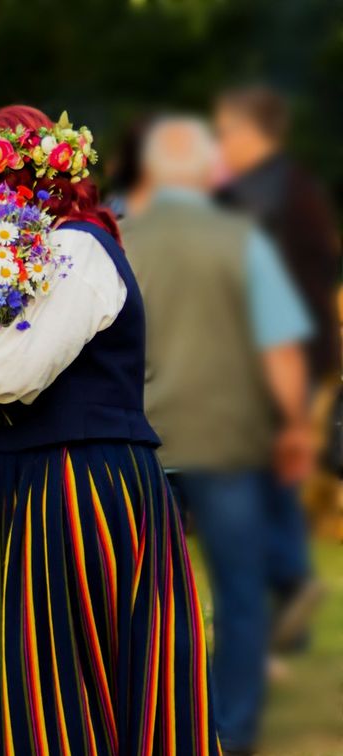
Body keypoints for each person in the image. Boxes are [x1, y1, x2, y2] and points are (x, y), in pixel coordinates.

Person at [0, 105, 219, 755]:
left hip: (81, 478)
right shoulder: (1, 267)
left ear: (19, 179)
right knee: (33, 678)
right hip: (10, 478)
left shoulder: (77, 248)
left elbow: (11, 372)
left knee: (100, 667)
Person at [121, 117, 314, 756]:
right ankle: (229, 730)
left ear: (150, 171)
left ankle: (159, 721)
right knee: (239, 592)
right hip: (230, 441)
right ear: (208, 171)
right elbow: (280, 346)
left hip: (143, 441)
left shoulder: (120, 240)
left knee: (148, 595)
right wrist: (292, 426)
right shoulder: (242, 240)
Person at [214, 84, 332, 635]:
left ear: (250, 131)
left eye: (225, 131)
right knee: (272, 476)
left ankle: (287, 582)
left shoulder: (255, 197)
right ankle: (287, 597)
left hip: (268, 359)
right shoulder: (295, 189)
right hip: (292, 354)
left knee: (255, 477)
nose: (220, 142)